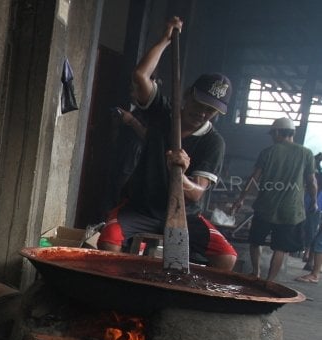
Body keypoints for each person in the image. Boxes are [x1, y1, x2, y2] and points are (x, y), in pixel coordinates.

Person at [96, 16, 238, 270]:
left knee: (227, 258)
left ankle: (187, 300)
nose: (203, 113)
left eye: (212, 110)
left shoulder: (213, 142)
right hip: (140, 207)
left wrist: (182, 175)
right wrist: (165, 39)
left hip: (184, 215)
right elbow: (140, 76)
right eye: (200, 104)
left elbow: (196, 194)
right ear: (187, 95)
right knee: (109, 241)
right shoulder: (164, 113)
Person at [231, 117, 318, 281]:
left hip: (265, 207)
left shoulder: (268, 152)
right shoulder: (306, 153)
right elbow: (312, 182)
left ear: (277, 132)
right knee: (281, 248)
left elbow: (253, 178)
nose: (272, 137)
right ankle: (269, 281)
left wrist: (241, 198)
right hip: (290, 211)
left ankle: (255, 274)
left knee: (255, 241)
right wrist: (313, 200)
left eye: (272, 134)